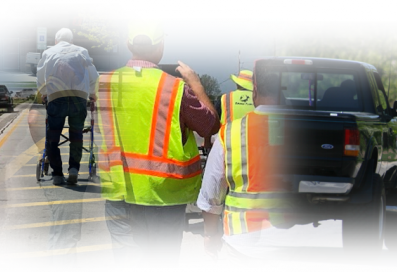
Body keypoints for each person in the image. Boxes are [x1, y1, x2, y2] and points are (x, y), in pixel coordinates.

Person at [95, 22, 218, 261]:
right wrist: (196, 85)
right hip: (162, 196)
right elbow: (210, 126)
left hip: (119, 190)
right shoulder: (174, 88)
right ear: (160, 46)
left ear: (129, 45)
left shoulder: (105, 84)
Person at [197, 71, 289, 259]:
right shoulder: (306, 130)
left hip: (241, 241)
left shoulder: (228, 132)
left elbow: (211, 193)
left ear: (255, 92)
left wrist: (209, 234)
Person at [37, 28, 98, 186]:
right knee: (76, 135)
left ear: (56, 41)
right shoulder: (82, 51)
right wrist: (92, 93)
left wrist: (43, 93)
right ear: (71, 40)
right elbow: (93, 75)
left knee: (53, 138)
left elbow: (40, 74)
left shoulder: (49, 52)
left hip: (56, 97)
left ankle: (57, 174)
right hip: (78, 97)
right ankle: (74, 170)